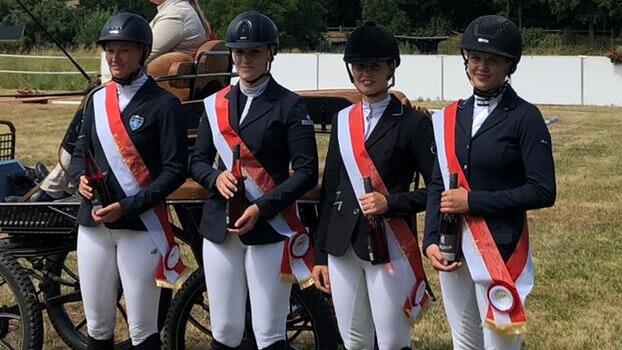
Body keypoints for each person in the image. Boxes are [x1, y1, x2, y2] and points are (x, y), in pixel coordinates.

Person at [423, 15, 556, 350]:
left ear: (509, 65)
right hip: (453, 244)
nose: (481, 67)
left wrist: (473, 201)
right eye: (476, 59)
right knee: (464, 341)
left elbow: (543, 191)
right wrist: (430, 239)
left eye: (492, 60)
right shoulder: (453, 115)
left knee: (499, 343)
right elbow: (439, 183)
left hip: (499, 246)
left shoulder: (526, 117)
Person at [190, 11, 318, 350]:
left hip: (270, 227)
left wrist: (262, 207)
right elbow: (198, 161)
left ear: (270, 54)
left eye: (254, 52)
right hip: (220, 226)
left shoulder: (290, 105)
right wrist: (215, 178)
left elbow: (306, 171)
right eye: (239, 52)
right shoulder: (215, 104)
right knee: (225, 329)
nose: (245, 59)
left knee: (268, 331)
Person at [312, 21, 435, 350]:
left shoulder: (412, 123)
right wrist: (320, 254)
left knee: (393, 339)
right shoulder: (342, 120)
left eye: (375, 66)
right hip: (341, 244)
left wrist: (390, 203)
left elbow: (436, 189)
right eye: (360, 66)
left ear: (391, 68)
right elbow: (332, 188)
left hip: (389, 241)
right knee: (354, 340)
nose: (367, 73)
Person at [69, 12, 187, 349]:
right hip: (93, 226)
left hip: (139, 226)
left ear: (142, 53)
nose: (114, 58)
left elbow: (175, 169)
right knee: (97, 324)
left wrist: (129, 205)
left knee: (142, 328)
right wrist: (80, 179)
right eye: (109, 51)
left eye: (124, 51)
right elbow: (80, 152)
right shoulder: (96, 100)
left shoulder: (164, 105)